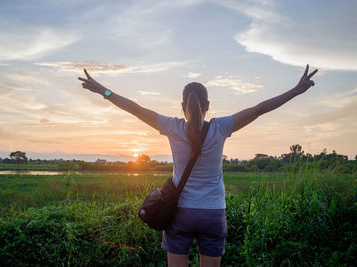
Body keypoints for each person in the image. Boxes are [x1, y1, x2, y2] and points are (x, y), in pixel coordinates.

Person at [78, 65, 318, 267]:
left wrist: (103, 90)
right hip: (213, 213)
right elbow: (259, 109)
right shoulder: (221, 127)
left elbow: (135, 109)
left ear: (183, 106)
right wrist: (297, 90)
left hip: (180, 213)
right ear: (207, 105)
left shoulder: (172, 127)